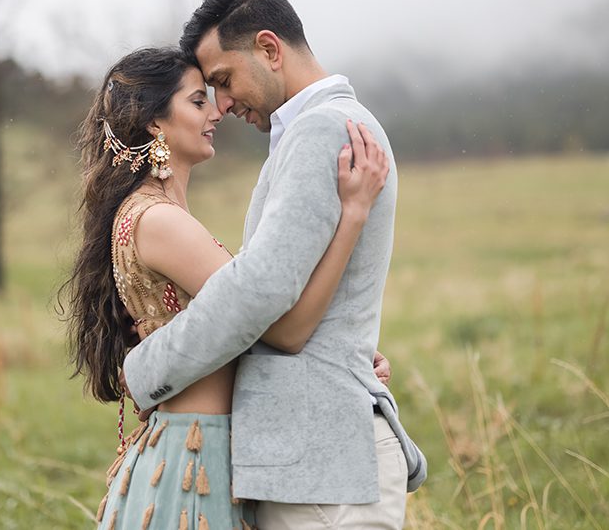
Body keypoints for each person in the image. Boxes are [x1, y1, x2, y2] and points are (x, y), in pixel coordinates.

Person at [120, 0, 427, 529]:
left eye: (223, 81)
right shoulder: (311, 132)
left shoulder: (321, 130)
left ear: (268, 49)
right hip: (312, 461)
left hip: (323, 467)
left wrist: (145, 368)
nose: (223, 103)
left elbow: (260, 293)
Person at [62, 45, 390, 529]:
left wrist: (343, 360)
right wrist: (353, 216)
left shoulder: (148, 214)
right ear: (155, 123)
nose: (216, 111)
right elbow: (274, 323)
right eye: (198, 101)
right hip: (199, 457)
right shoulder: (161, 221)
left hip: (191, 445)